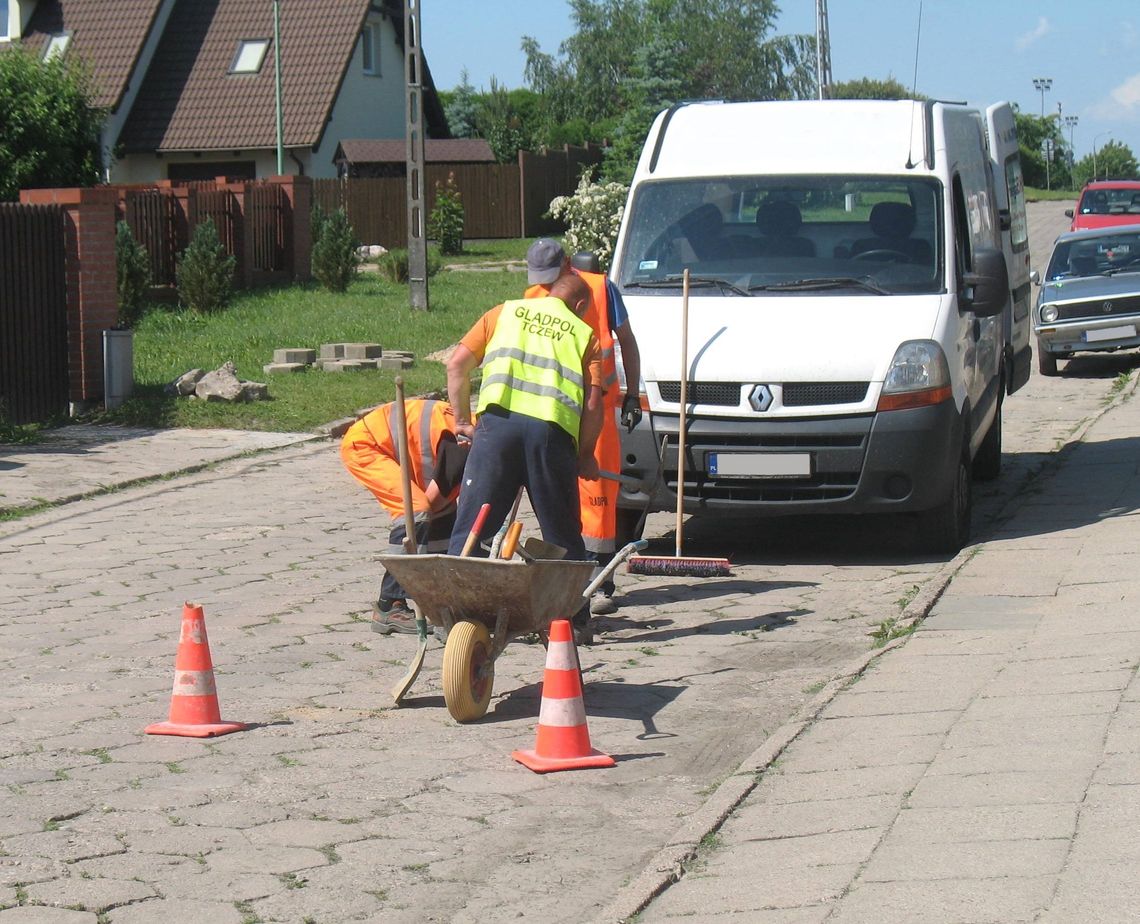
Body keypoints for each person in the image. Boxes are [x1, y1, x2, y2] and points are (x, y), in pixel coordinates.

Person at [446, 272, 605, 639]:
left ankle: (456, 615)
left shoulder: (502, 313)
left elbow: (456, 365)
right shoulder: (584, 335)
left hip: (496, 433)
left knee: (474, 527)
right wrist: (585, 455)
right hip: (550, 438)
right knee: (561, 533)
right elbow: (593, 404)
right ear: (580, 305)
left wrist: (462, 422)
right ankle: (571, 622)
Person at [526, 242, 643, 617]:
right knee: (556, 493)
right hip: (551, 408)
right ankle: (564, 579)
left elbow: (626, 341)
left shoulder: (601, 288)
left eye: (551, 276)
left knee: (598, 498)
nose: (545, 285)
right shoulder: (531, 295)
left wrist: (632, 394)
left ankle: (600, 582)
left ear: (567, 264)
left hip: (598, 407)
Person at [340, 398, 469, 634]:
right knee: (417, 511)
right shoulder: (463, 445)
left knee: (443, 517)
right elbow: (434, 499)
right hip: (367, 445)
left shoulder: (480, 436)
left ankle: (440, 605)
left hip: (396, 445)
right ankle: (389, 604)